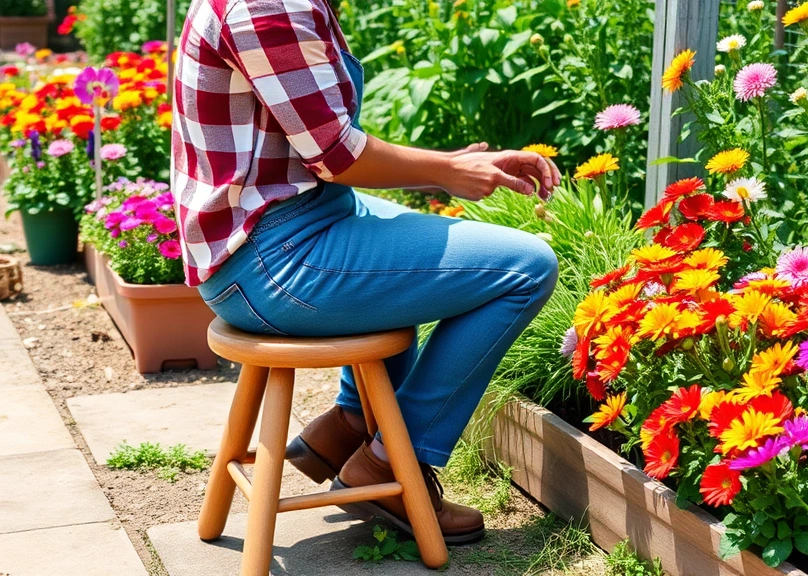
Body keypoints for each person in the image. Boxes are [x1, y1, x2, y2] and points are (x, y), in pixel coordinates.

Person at [172, 0, 560, 545]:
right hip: (270, 259)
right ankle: (389, 465)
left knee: (414, 243)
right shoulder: (266, 10)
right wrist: (449, 170)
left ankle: (352, 423)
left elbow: (319, 144)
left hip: (294, 222)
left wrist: (453, 164)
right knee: (525, 268)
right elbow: (338, 156)